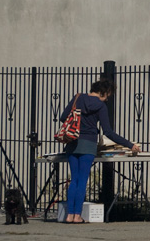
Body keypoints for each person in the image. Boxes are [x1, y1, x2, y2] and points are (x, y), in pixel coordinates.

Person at [59, 78, 140, 224]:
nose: (107, 98)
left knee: (74, 180)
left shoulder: (77, 98)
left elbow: (63, 117)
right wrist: (129, 144)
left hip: (72, 142)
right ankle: (77, 216)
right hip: (88, 144)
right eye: (108, 95)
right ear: (104, 92)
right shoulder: (101, 106)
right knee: (82, 180)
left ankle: (69, 215)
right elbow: (108, 132)